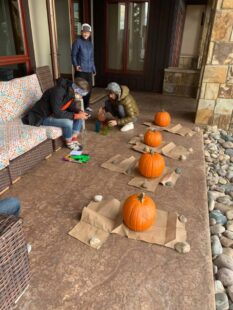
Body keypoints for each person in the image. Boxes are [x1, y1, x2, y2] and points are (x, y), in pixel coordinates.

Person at [22, 77, 89, 150]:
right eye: (81, 94)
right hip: (41, 116)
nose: (81, 96)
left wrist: (79, 112)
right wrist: (76, 115)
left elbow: (70, 106)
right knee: (68, 122)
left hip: (53, 113)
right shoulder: (58, 91)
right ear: (76, 89)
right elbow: (57, 112)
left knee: (80, 116)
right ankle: (69, 143)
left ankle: (73, 139)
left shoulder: (70, 91)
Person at [71, 23, 96, 112]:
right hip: (80, 69)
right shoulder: (77, 42)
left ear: (90, 33)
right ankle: (78, 108)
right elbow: (73, 55)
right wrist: (76, 65)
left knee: (89, 89)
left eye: (88, 32)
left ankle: (86, 106)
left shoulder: (90, 43)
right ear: (81, 32)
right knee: (80, 89)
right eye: (84, 32)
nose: (86, 34)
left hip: (89, 69)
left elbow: (92, 57)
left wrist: (93, 68)